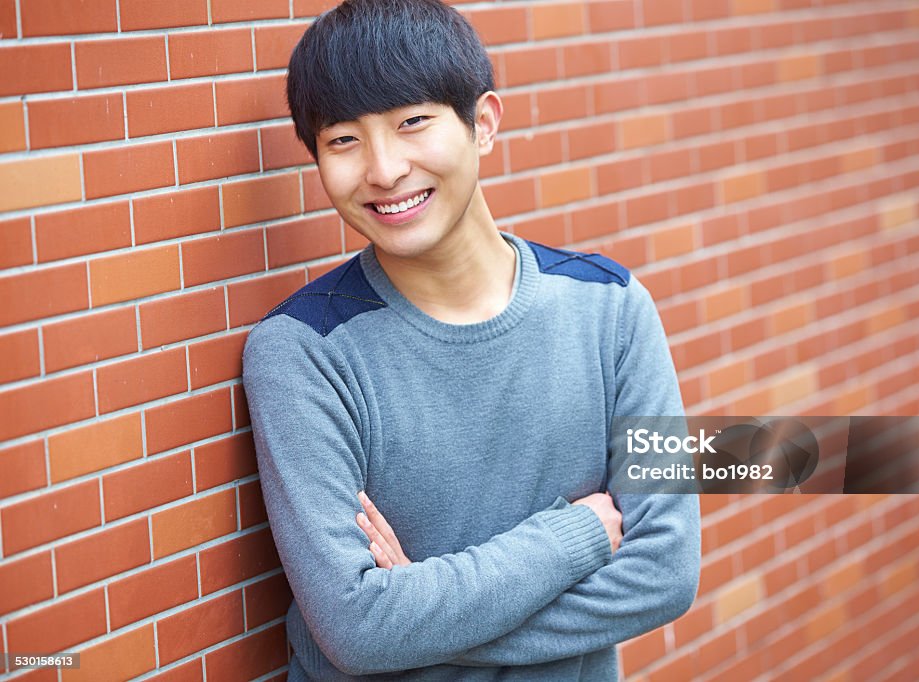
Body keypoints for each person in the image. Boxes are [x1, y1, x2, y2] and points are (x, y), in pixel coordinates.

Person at [241, 0, 701, 679]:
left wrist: (418, 615)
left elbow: (666, 572)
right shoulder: (302, 351)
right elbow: (359, 627)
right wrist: (573, 537)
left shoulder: (613, 308)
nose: (384, 169)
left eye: (412, 123)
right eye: (344, 140)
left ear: (483, 123)